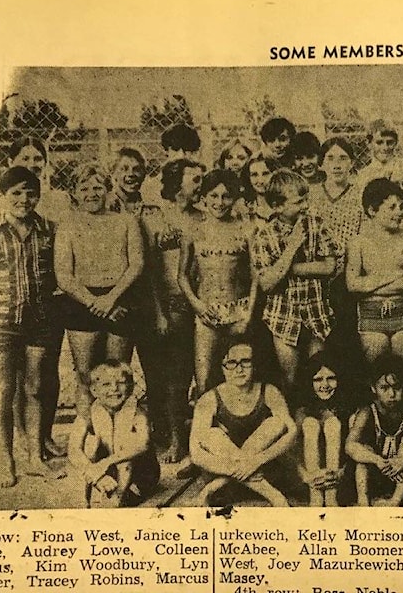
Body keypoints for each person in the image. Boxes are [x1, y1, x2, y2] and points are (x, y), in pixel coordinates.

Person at [0, 166, 63, 486]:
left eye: (30, 192)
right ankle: (6, 459)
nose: (24, 199)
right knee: (4, 391)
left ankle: (34, 456)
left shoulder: (48, 228)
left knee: (33, 388)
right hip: (1, 321)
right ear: (2, 195)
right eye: (16, 192)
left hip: (39, 321)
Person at [54, 164, 144, 416]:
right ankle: (88, 437)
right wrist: (93, 301)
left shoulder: (126, 221)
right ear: (74, 192)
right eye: (84, 188)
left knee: (119, 376)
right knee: (86, 376)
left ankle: (120, 439)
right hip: (81, 303)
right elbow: (63, 275)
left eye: (97, 187)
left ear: (108, 189)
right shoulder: (67, 225)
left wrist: (111, 299)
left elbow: (136, 264)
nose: (91, 193)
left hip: (120, 300)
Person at [139, 158, 204, 465]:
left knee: (190, 376)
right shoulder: (155, 217)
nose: (200, 185)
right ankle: (171, 439)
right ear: (177, 184)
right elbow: (150, 270)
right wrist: (158, 311)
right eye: (195, 180)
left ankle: (192, 439)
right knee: (168, 379)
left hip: (199, 305)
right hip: (170, 305)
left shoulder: (203, 216)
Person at [252, 169, 339, 389]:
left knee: (318, 372)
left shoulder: (316, 224)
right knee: (289, 378)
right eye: (298, 202)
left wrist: (287, 269)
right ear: (278, 206)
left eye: (306, 199)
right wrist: (291, 247)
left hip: (316, 310)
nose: (305, 206)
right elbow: (266, 283)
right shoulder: (265, 236)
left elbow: (329, 266)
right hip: (283, 315)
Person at [190, 342, 297, 506]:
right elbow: (196, 453)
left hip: (262, 470)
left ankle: (214, 487)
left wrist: (257, 461)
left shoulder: (269, 391)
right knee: (212, 435)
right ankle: (274, 496)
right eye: (231, 363)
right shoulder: (209, 399)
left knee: (275, 423)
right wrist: (238, 468)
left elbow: (292, 431)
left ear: (255, 365)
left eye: (245, 362)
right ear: (222, 367)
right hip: (227, 473)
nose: (239, 369)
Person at [178, 169, 257, 394]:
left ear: (234, 198)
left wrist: (248, 316)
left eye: (226, 196)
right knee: (204, 380)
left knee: (242, 378)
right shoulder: (193, 231)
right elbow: (182, 276)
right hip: (207, 313)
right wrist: (198, 306)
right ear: (204, 198)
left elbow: (255, 276)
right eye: (213, 196)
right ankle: (205, 427)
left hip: (239, 311)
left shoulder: (246, 229)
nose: (220, 202)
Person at [347, 178, 403, 363]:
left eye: (401, 207)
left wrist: (370, 284)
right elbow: (353, 284)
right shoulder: (358, 243)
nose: (399, 212)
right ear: (372, 210)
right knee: (376, 369)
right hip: (371, 313)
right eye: (392, 207)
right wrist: (395, 275)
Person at [68, 360, 159, 508]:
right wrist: (95, 472)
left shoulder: (138, 413)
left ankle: (118, 499)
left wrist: (105, 463)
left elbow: (143, 444)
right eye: (106, 384)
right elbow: (73, 450)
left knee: (129, 444)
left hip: (138, 475)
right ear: (94, 390)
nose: (114, 389)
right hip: (104, 473)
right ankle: (84, 499)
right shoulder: (88, 414)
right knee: (90, 443)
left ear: (131, 387)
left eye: (121, 383)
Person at [346, 357, 403, 506]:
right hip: (377, 472)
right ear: (374, 388)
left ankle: (395, 500)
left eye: (397, 387)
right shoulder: (367, 411)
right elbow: (350, 445)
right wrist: (377, 460)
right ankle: (363, 501)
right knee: (363, 453)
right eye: (384, 388)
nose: (391, 394)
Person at [295, 352, 356, 507]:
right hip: (309, 478)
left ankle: (331, 497)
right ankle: (315, 497)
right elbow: (291, 450)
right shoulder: (302, 410)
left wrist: (342, 473)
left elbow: (354, 448)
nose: (324, 385)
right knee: (310, 423)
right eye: (317, 379)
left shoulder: (348, 409)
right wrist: (305, 476)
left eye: (331, 378)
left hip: (339, 477)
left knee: (333, 424)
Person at [310, 137, 364, 254]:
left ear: (352, 163)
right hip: (320, 264)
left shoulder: (360, 195)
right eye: (330, 159)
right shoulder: (311, 195)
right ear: (321, 164)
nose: (337, 165)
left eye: (343, 158)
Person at [235, 153, 276, 231]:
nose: (260, 181)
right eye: (254, 175)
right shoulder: (243, 208)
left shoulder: (284, 205)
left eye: (265, 174)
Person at [106, 148, 148, 215]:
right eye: (124, 169)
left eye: (136, 169)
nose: (131, 174)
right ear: (113, 173)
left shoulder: (149, 205)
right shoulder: (106, 205)